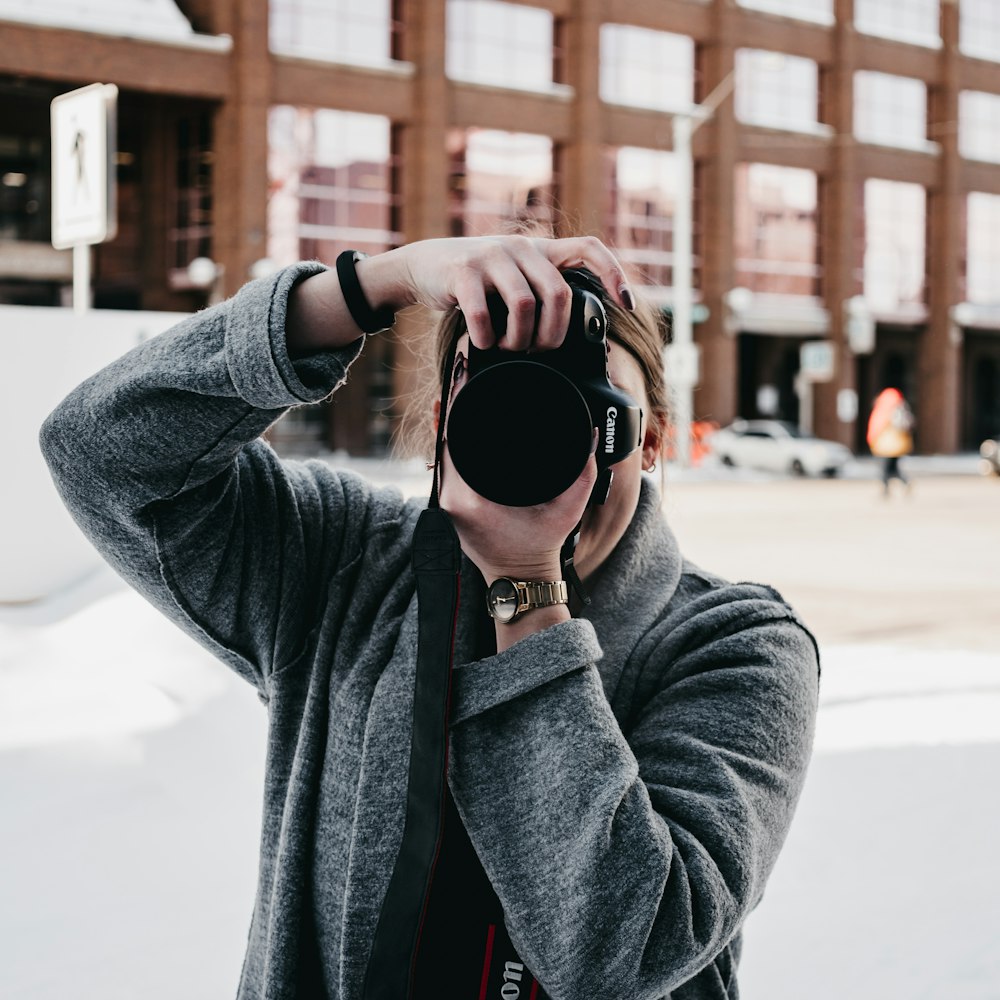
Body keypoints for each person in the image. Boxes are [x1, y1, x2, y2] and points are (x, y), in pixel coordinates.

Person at [40, 234, 819, 1000]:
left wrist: (524, 585)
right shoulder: (344, 564)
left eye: (583, 406)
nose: (541, 431)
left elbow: (617, 955)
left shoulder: (736, 645)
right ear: (448, 421)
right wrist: (372, 286)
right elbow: (97, 449)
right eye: (505, 397)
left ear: (646, 438)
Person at [866, 386, 914, 497]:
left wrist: (872, 439)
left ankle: (886, 490)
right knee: (893, 468)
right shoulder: (900, 408)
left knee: (884, 469)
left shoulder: (884, 410)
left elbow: (877, 427)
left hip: (885, 446)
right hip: (899, 445)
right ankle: (904, 482)